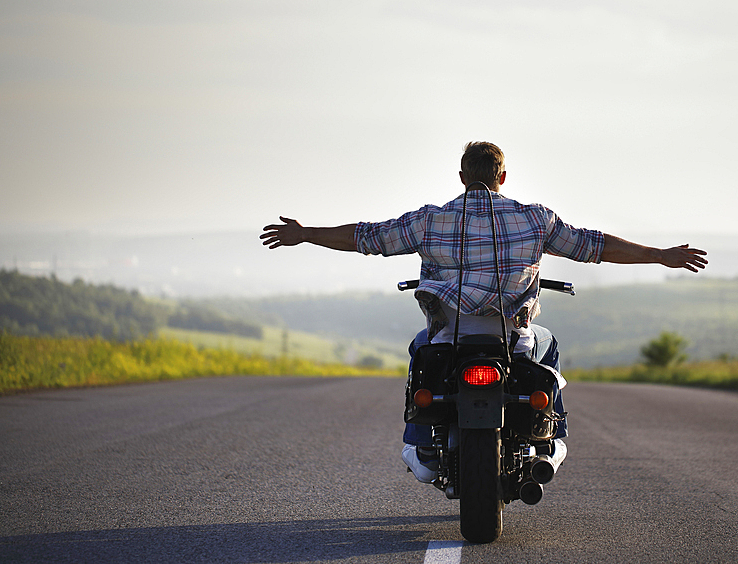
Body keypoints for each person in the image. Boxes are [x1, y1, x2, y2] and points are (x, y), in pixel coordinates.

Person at [260, 141, 707, 483]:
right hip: (512, 335)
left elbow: (366, 237)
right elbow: (596, 246)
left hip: (448, 333)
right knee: (548, 347)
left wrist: (306, 234)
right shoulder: (535, 219)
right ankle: (551, 441)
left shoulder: (429, 220)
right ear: (503, 177)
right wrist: (660, 255)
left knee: (420, 354)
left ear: (461, 176)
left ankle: (420, 445)